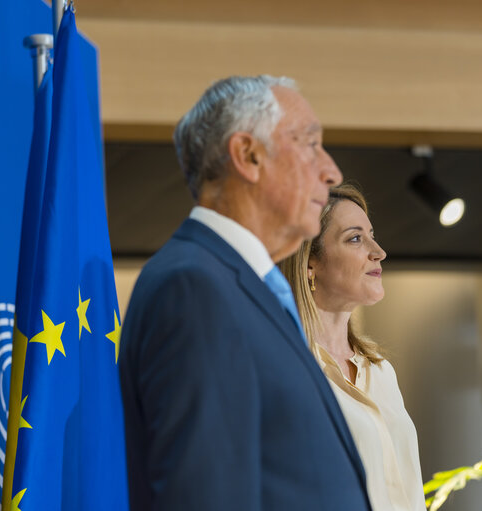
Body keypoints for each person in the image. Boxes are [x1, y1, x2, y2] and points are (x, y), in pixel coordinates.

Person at [119, 75, 373, 510]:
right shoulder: (195, 290)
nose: (331, 171)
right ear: (248, 156)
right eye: (310, 144)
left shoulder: (242, 289)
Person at [279, 182, 427, 511]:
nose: (378, 251)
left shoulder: (382, 373)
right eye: (355, 238)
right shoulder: (286, 370)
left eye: (372, 235)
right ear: (309, 264)